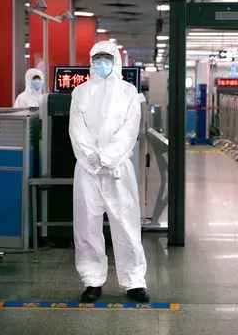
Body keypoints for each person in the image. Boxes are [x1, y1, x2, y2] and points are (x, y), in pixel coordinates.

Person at [68, 41, 149, 303]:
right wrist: (93, 159)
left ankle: (134, 281)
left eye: (107, 58)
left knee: (125, 223)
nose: (102, 64)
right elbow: (76, 130)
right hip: (87, 169)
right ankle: (92, 280)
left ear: (116, 61)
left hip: (117, 168)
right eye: (97, 59)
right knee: (87, 225)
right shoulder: (79, 93)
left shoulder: (128, 92)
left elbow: (129, 130)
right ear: (91, 61)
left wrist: (107, 158)